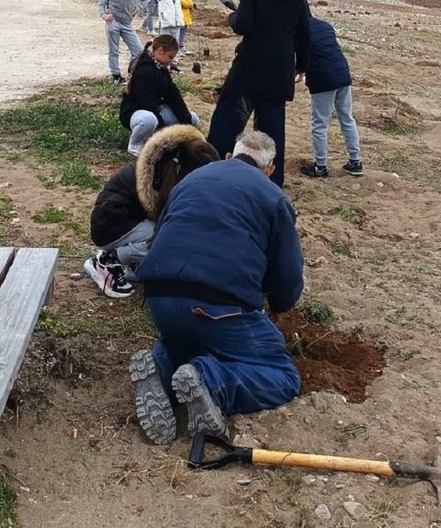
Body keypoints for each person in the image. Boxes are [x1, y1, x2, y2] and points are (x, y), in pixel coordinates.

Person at [129, 130, 304, 445]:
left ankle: (161, 367)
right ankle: (210, 380)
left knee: (192, 342)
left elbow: (161, 235)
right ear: (269, 170)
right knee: (283, 377)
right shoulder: (272, 194)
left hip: (159, 295)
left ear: (228, 155)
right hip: (218, 305)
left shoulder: (189, 182)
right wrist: (276, 304)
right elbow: (288, 279)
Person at [207, 0, 311, 188]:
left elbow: (244, 25)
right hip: (280, 70)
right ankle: (271, 185)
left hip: (250, 67)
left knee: (226, 126)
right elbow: (305, 33)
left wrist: (231, 16)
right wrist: (301, 66)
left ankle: (211, 173)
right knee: (272, 135)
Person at [84, 126, 218, 298]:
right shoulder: (162, 178)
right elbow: (171, 226)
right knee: (169, 242)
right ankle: (107, 261)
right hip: (111, 224)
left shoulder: (169, 166)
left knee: (175, 239)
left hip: (132, 219)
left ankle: (136, 263)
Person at [300, 10, 363, 177]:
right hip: (342, 73)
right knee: (347, 118)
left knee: (319, 124)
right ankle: (355, 161)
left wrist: (297, 71)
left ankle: (320, 167)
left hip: (323, 79)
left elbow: (301, 56)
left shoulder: (298, 29)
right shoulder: (325, 26)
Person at [119, 35, 199, 156]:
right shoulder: (143, 72)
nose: (170, 61)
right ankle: (135, 142)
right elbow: (148, 104)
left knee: (193, 118)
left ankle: (172, 140)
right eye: (170, 57)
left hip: (157, 110)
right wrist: (162, 132)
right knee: (149, 120)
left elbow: (173, 95)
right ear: (160, 51)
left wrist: (186, 120)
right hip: (137, 112)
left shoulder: (162, 69)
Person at [98, 0, 148, 84]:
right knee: (114, 51)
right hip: (113, 23)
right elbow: (101, 4)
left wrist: (138, 8)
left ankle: (132, 71)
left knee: (138, 51)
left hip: (127, 23)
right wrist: (104, 15)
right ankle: (116, 76)